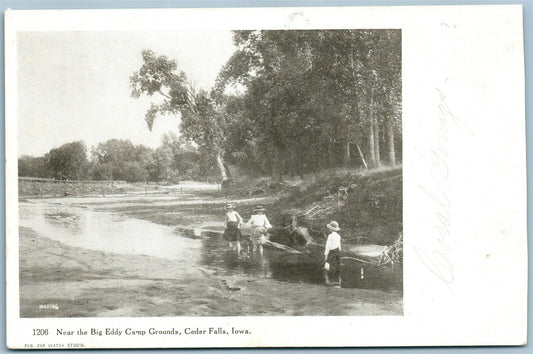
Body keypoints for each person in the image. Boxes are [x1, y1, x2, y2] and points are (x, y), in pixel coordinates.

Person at [324, 220, 342, 286]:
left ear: (331, 229)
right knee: (338, 264)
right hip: (337, 251)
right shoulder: (338, 236)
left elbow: (328, 246)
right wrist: (339, 252)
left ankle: (329, 280)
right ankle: (337, 279)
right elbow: (339, 245)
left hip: (332, 251)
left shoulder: (330, 236)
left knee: (329, 264)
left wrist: (326, 254)